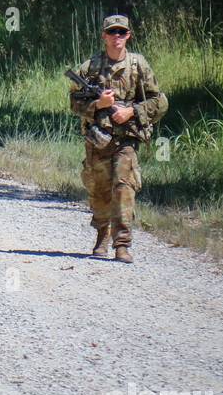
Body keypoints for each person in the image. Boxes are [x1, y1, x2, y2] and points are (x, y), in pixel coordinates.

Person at [69, 14, 169, 264]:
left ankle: (122, 244)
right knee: (100, 190)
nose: (117, 37)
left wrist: (131, 112)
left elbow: (160, 102)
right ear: (104, 36)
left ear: (128, 36)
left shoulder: (138, 65)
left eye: (121, 32)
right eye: (112, 32)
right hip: (98, 139)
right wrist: (98, 104)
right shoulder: (90, 67)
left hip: (127, 140)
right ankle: (103, 235)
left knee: (124, 187)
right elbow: (74, 103)